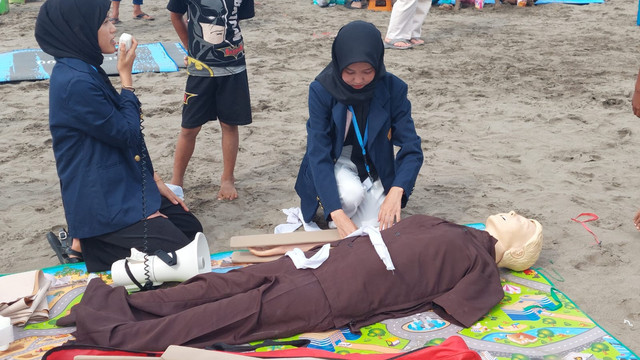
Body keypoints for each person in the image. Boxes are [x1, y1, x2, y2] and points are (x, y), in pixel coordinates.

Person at [57, 211, 543, 351]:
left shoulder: (456, 238)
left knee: (225, 289)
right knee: (227, 313)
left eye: (509, 220)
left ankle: (107, 308)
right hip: (333, 284)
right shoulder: (476, 263)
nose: (504, 216)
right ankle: (112, 326)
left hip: (321, 264)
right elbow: (449, 312)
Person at [35, 0, 203, 273]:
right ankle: (91, 243)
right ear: (81, 30)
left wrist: (153, 180)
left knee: (190, 229)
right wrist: (127, 80)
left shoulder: (84, 67)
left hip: (117, 181)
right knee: (182, 257)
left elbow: (126, 136)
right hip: (103, 200)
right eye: (104, 22)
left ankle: (85, 243)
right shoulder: (75, 82)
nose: (113, 28)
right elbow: (127, 132)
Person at [295, 21, 423, 239]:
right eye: (350, 71)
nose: (358, 80)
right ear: (338, 63)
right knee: (349, 198)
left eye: (367, 71)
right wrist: (335, 212)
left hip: (373, 163)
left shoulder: (394, 89)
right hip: (337, 159)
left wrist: (397, 189)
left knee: (377, 228)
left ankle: (370, 196)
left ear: (378, 63)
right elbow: (319, 154)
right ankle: (330, 208)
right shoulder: (321, 91)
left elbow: (411, 148)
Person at [167, 0, 255, 201]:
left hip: (234, 66)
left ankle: (227, 178)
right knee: (189, 128)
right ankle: (176, 181)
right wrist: (190, 46)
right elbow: (175, 14)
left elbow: (235, 19)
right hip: (200, 69)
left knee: (229, 124)